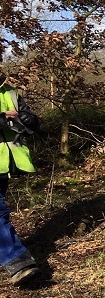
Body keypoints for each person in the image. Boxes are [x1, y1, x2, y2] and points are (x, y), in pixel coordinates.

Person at [0, 79, 41, 286]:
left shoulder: (10, 91)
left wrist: (27, 118)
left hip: (5, 162)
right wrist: (2, 118)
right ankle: (17, 261)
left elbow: (32, 120)